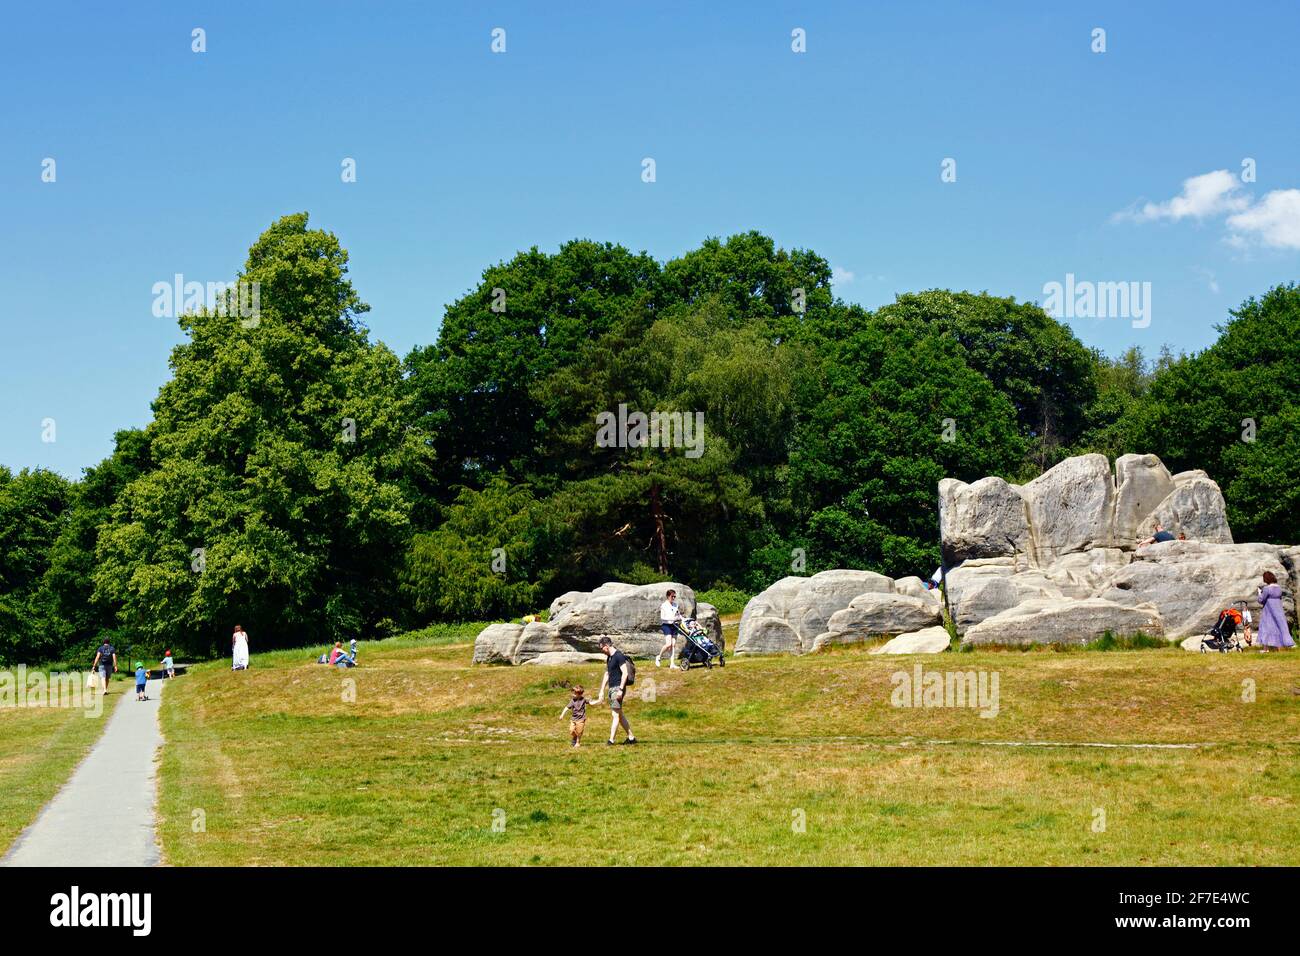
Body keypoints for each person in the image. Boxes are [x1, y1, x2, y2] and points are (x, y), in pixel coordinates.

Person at [594, 636, 637, 746]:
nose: (602, 651)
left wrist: (621, 690)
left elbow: (625, 673)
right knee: (620, 714)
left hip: (618, 688)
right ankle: (631, 738)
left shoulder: (619, 656)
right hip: (612, 688)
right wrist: (601, 690)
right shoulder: (609, 658)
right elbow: (607, 674)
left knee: (615, 714)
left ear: (607, 646)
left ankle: (611, 740)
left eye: (602, 648)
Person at [1255, 571, 1295, 652]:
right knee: (1277, 627)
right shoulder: (1278, 588)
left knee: (1266, 627)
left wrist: (1259, 593)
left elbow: (1261, 600)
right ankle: (1278, 648)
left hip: (1268, 611)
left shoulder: (1267, 589)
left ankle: (1265, 649)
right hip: (1278, 610)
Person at [656, 588, 682, 669]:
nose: (673, 598)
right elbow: (662, 617)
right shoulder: (664, 605)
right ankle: (659, 657)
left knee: (673, 645)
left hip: (674, 625)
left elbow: (678, 614)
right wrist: (672, 619)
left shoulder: (675, 605)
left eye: (674, 596)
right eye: (672, 596)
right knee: (668, 644)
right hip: (666, 625)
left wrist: (680, 618)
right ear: (668, 596)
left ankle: (672, 664)